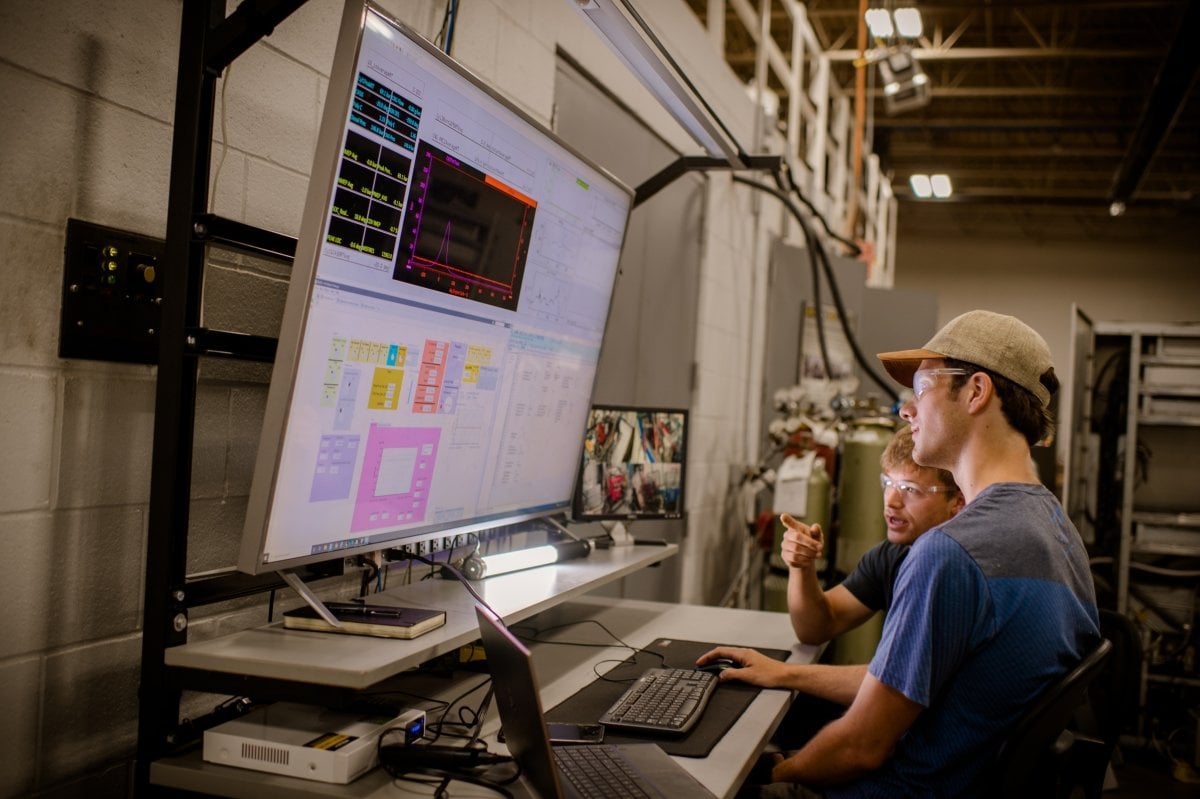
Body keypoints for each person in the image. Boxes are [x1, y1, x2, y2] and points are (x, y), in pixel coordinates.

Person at [700, 310, 1100, 797]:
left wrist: (771, 774)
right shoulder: (1059, 532)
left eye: (923, 388)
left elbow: (861, 747)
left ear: (977, 392)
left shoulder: (951, 552)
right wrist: (787, 674)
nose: (906, 411)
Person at [782, 424, 963, 649]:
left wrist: (782, 674)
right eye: (888, 483)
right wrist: (802, 566)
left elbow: (903, 680)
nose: (892, 501)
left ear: (958, 501)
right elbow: (817, 628)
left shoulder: (960, 570)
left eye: (909, 489)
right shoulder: (891, 556)